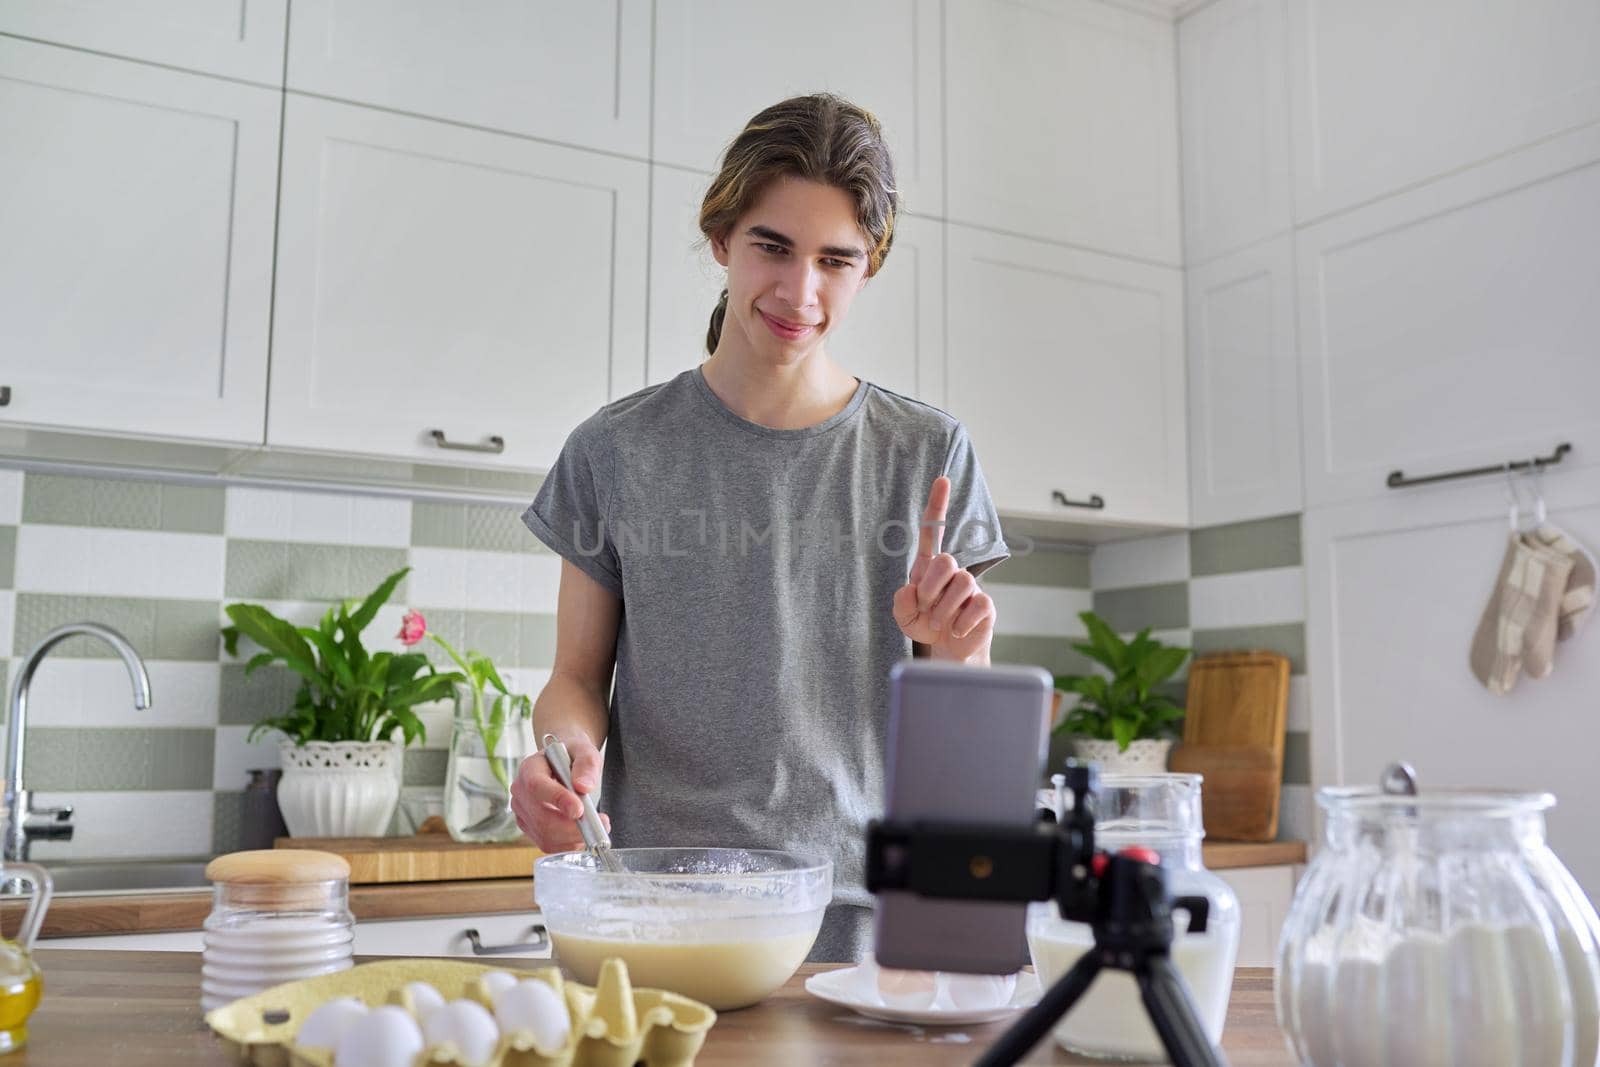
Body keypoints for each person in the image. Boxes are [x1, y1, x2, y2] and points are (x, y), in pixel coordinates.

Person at [510, 92, 1010, 963]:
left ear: (871, 266)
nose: (799, 290)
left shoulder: (926, 454)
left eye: (836, 260)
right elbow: (576, 678)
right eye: (771, 247)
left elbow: (959, 757)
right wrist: (564, 758)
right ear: (721, 239)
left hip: (865, 929)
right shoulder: (615, 449)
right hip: (656, 919)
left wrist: (957, 654)